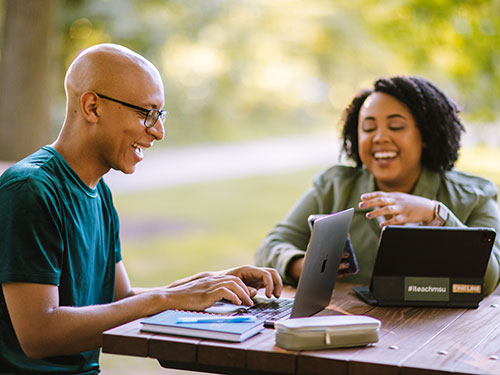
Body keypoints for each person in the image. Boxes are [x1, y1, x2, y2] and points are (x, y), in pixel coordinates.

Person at [0, 44, 282, 374]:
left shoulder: (99, 192)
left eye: (159, 115)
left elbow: (121, 299)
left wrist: (209, 286)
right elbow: (39, 334)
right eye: (146, 113)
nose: (158, 131)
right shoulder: (30, 190)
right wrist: (169, 298)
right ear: (92, 107)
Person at [255, 75, 500, 295]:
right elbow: (270, 247)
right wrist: (301, 266)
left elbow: (488, 280)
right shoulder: (335, 186)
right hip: (348, 329)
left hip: (436, 337)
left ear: (426, 135)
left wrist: (435, 214)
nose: (380, 137)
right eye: (368, 128)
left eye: (396, 126)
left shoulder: (475, 196)